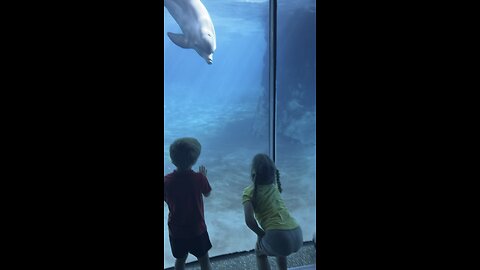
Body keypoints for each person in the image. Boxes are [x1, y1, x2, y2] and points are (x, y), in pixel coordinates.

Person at [242, 153, 303, 270]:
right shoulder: (275, 188)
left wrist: (261, 234)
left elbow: (249, 221)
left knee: (260, 252)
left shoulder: (248, 192)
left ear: (253, 173)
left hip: (277, 235)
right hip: (297, 233)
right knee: (281, 250)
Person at [164, 137, 212, 270]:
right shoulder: (199, 178)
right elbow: (207, 193)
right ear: (195, 160)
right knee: (204, 261)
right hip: (197, 230)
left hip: (176, 231)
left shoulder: (166, 181)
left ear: (172, 160)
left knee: (179, 261)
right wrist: (204, 177)